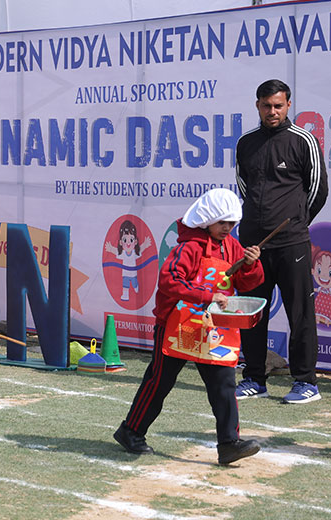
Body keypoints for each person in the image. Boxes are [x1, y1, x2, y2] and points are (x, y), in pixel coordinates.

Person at [113, 189, 266, 464]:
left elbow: (247, 283)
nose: (227, 228)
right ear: (207, 219)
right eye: (222, 222)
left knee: (224, 385)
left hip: (213, 329)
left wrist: (251, 265)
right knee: (160, 381)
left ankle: (229, 444)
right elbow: (169, 280)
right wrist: (207, 296)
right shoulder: (189, 247)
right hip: (177, 325)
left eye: (232, 223)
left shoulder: (233, 247)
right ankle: (131, 431)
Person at [234, 79, 329, 404]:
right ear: (257, 106)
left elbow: (318, 190)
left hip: (292, 243)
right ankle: (254, 378)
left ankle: (305, 382)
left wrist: (296, 222)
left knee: (300, 314)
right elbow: (244, 188)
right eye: (266, 106)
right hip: (252, 246)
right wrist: (257, 224)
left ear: (288, 105)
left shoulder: (303, 140)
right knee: (251, 312)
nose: (272, 111)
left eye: (278, 105)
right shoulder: (246, 143)